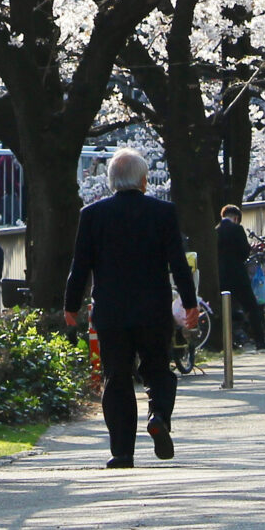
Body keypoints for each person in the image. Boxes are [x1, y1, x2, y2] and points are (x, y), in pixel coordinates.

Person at [63, 149, 199, 468]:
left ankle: (122, 452)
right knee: (157, 368)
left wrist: (71, 306)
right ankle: (159, 416)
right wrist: (190, 304)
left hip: (110, 311)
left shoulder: (92, 215)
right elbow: (178, 264)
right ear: (143, 180)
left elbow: (79, 266)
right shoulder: (163, 212)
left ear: (111, 181)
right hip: (153, 309)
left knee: (117, 376)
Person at [214, 203, 265, 350]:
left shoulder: (215, 230)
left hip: (221, 275)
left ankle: (229, 341)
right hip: (238, 274)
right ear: (236, 218)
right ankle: (259, 341)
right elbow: (244, 252)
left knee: (226, 308)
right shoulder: (237, 229)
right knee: (251, 306)